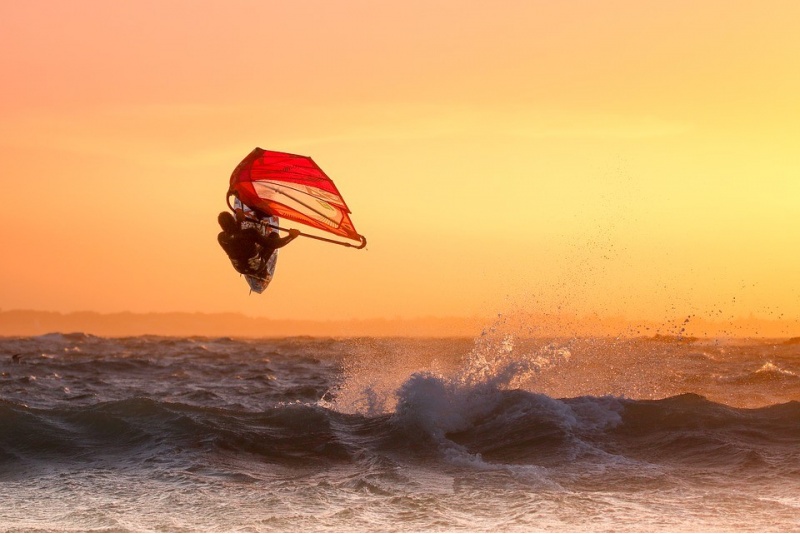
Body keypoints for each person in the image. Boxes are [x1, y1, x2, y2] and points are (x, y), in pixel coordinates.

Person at [217, 210, 300, 278]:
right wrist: (291, 236)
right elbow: (273, 244)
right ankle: (262, 272)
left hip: (240, 269)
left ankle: (252, 268)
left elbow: (235, 238)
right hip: (257, 268)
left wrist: (239, 222)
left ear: (222, 227)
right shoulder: (250, 233)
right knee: (274, 236)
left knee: (244, 248)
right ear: (233, 220)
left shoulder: (221, 238)